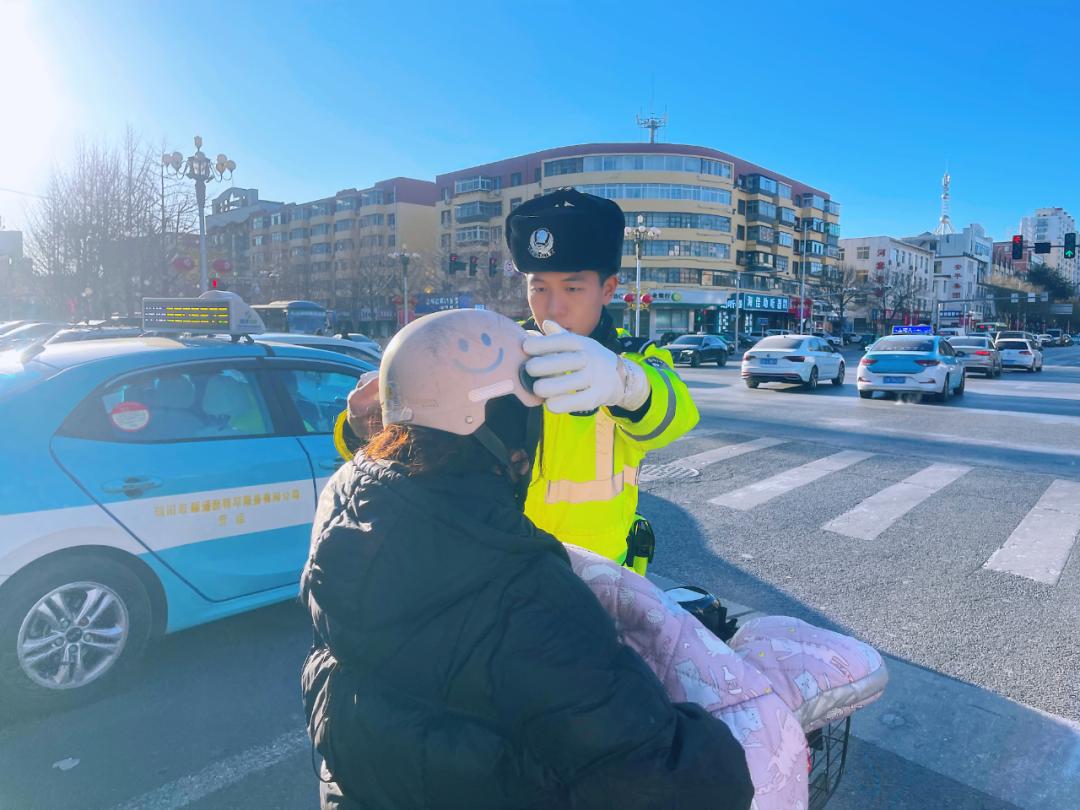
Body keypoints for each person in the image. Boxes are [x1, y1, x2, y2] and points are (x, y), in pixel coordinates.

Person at [301, 307, 753, 810]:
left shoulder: (346, 504)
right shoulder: (525, 593)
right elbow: (679, 784)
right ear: (509, 440)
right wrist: (714, 724)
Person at [334, 188, 699, 573]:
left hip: (600, 582)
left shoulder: (635, 359)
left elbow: (674, 419)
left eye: (572, 288)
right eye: (539, 287)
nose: (553, 307)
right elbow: (423, 452)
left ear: (608, 289)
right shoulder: (490, 352)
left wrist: (625, 383)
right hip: (500, 576)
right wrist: (366, 428)